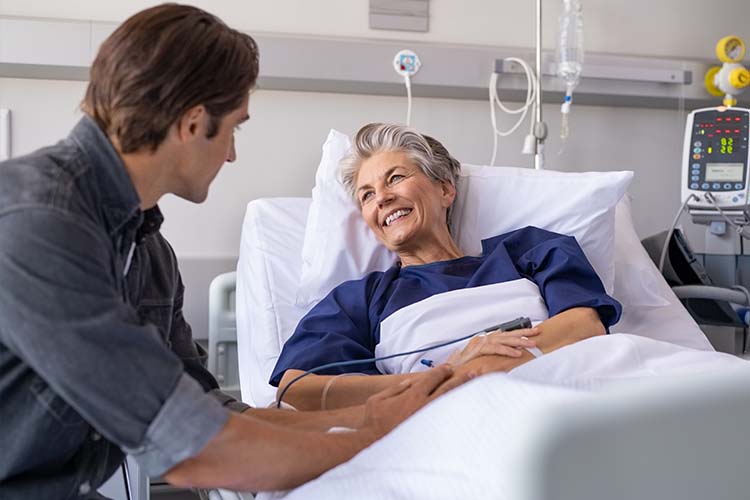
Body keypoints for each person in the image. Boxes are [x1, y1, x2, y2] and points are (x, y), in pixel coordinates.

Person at [0, 6, 464, 498]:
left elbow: (207, 410)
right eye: (233, 129)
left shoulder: (148, 251)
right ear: (194, 123)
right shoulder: (38, 225)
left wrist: (366, 416)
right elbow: (198, 451)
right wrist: (378, 438)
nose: (231, 154)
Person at [270, 122, 623, 411]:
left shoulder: (526, 250)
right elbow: (297, 388)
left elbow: (585, 325)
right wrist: (445, 376)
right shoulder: (360, 299)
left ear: (445, 190)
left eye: (394, 178)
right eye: (366, 195)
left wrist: (484, 365)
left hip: (572, 394)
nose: (382, 198)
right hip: (453, 418)